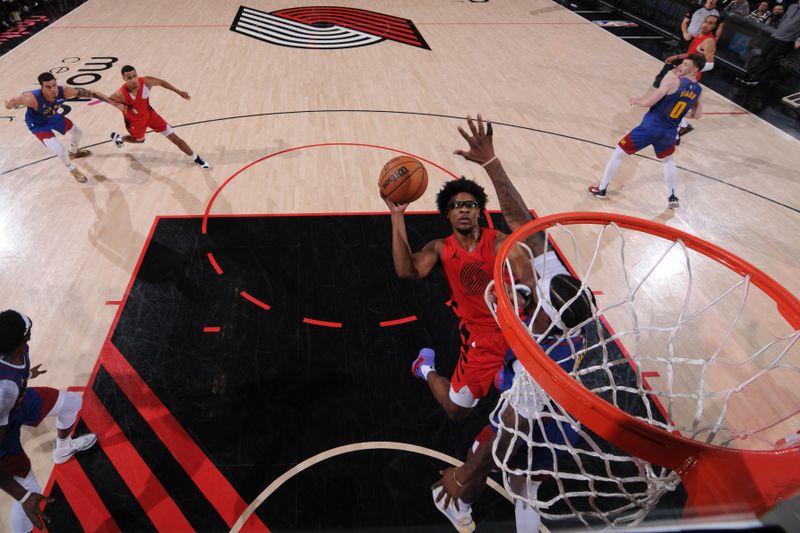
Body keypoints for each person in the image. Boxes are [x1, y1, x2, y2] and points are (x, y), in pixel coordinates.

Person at [430, 116, 595, 533]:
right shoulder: (558, 284)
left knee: (486, 450)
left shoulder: (539, 363)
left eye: (535, 307)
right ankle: (471, 505)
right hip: (566, 418)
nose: (530, 300)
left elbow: (508, 432)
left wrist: (464, 475)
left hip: (545, 419)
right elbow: (523, 221)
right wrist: (492, 164)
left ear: (546, 322)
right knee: (525, 491)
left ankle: (456, 503)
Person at [0, 310, 97, 533]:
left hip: (18, 404)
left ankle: (63, 449)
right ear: (24, 339)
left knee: (72, 403)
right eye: (28, 331)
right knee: (29, 493)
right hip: (4, 434)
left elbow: (13, 375)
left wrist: (27, 375)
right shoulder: (4, 388)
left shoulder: (14, 351)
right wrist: (23, 496)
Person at [588, 54, 706, 209]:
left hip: (650, 127)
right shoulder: (699, 90)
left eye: (685, 64)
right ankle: (673, 196)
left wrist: (636, 101)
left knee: (618, 153)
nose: (681, 66)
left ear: (695, 69)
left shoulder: (672, 82)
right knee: (668, 161)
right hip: (669, 132)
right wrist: (679, 112)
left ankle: (602, 189)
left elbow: (648, 102)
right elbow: (696, 115)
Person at [3, 72, 123, 183]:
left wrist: (111, 101)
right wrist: (8, 105)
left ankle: (74, 152)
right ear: (41, 87)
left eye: (54, 85)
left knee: (77, 133)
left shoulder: (64, 91)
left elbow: (91, 93)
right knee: (60, 150)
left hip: (52, 117)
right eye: (48, 87)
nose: (53, 89)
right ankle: (72, 169)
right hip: (38, 125)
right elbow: (14, 101)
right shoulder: (31, 98)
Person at [108, 65, 211, 169]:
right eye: (130, 78)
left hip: (151, 116)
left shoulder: (146, 82)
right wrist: (118, 105)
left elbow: (161, 82)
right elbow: (109, 99)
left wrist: (179, 92)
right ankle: (120, 138)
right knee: (140, 140)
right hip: (136, 122)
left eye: (135, 75)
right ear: (124, 78)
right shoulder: (120, 94)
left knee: (174, 137)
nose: (134, 79)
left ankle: (196, 159)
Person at [653, 15, 717, 143]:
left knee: (671, 102)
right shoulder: (699, 34)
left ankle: (676, 134)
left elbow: (710, 65)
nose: (706, 25)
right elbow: (692, 54)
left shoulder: (709, 41)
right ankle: (682, 127)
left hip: (690, 78)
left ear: (714, 27)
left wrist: (690, 71)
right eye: (705, 21)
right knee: (671, 103)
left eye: (710, 23)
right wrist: (677, 57)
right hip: (684, 73)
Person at [737, 1, 800, 84]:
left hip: (787, 40)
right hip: (776, 36)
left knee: (771, 59)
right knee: (762, 55)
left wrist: (798, 40)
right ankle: (749, 74)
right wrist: (778, 31)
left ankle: (756, 78)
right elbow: (784, 19)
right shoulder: (792, 6)